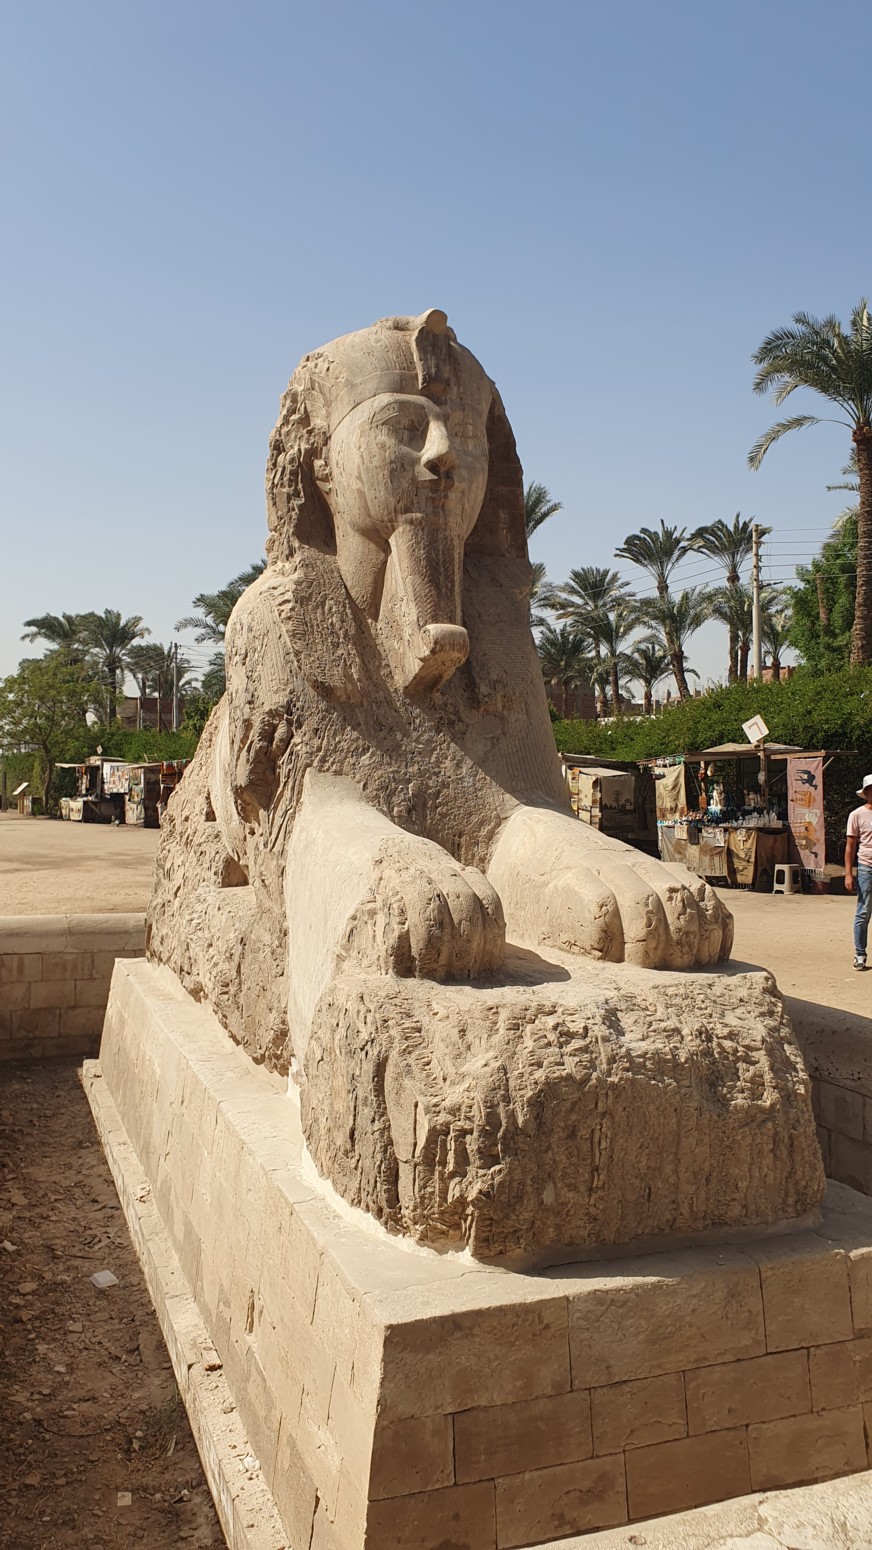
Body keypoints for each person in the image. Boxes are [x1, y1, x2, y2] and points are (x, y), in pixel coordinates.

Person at [845, 775, 872, 969]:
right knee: (863, 911)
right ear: (866, 792)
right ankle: (860, 953)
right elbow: (850, 846)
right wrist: (848, 873)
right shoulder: (857, 815)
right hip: (866, 867)